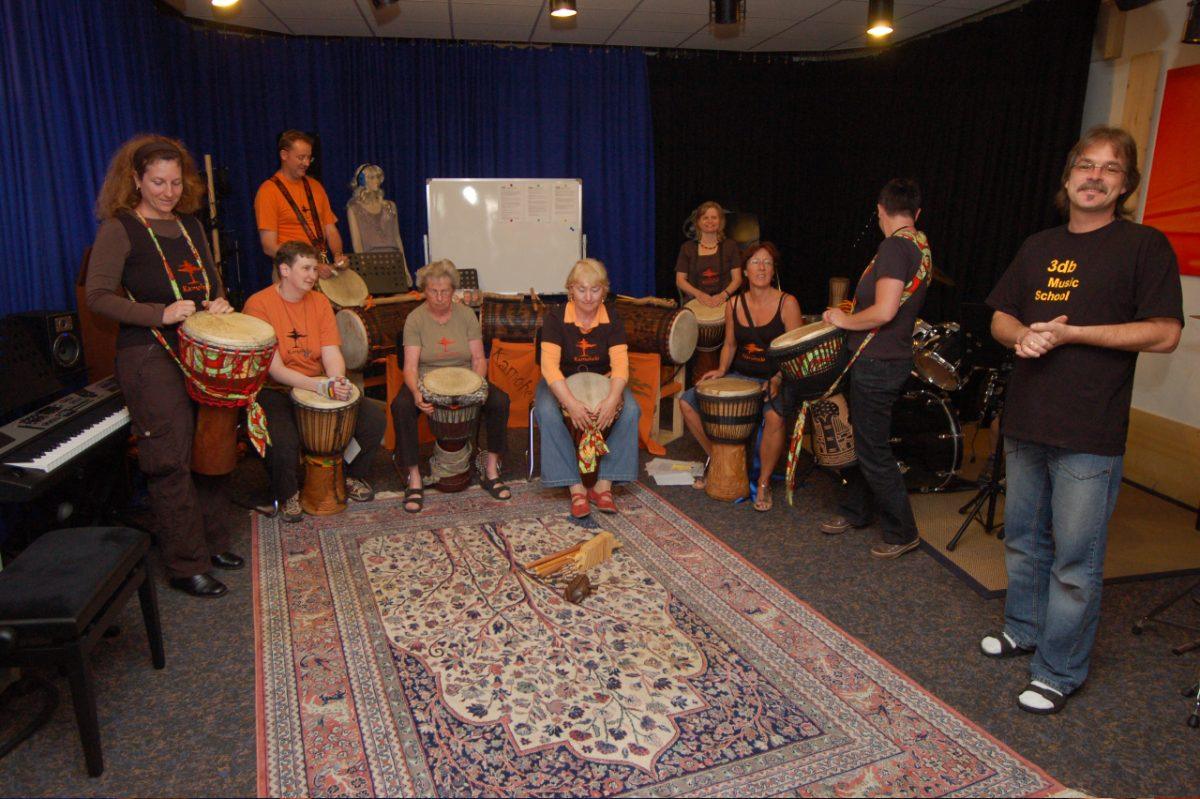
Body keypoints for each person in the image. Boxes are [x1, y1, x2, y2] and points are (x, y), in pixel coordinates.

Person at [981, 126, 1183, 715]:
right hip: (1027, 421)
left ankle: (1059, 669)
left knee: (1074, 563)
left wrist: (1074, 335)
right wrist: (1021, 336)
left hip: (1090, 432)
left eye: (1110, 168)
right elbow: (999, 316)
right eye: (1085, 165)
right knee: (1023, 541)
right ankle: (1024, 628)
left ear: (1126, 184)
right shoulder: (1038, 245)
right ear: (1068, 177)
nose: (1094, 177)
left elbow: (1165, 333)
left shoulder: (1144, 246)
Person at [86, 134, 240, 599]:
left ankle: (212, 544)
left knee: (210, 448)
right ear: (135, 180)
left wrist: (219, 302)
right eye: (157, 182)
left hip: (200, 352)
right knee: (169, 459)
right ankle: (185, 564)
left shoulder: (191, 225)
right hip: (149, 355)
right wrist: (161, 313)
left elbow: (213, 283)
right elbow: (98, 297)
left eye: (175, 182)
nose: (168, 192)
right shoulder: (119, 228)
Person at [821, 178, 931, 559]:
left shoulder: (894, 246)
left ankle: (903, 531)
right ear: (916, 212)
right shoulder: (920, 245)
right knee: (863, 440)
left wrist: (843, 320)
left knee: (872, 449)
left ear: (880, 210)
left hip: (877, 362)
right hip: (888, 360)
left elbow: (884, 311)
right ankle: (856, 510)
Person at [243, 241, 386, 522]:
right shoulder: (258, 305)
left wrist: (337, 380)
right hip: (276, 389)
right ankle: (287, 494)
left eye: (314, 269)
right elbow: (275, 369)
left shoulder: (320, 302)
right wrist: (320, 387)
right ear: (285, 270)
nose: (313, 275)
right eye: (306, 268)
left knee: (372, 420)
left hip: (318, 384)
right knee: (282, 440)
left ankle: (347, 475)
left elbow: (331, 352)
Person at [680, 243, 802, 511]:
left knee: (774, 416)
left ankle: (764, 483)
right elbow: (730, 344)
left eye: (767, 263)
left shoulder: (787, 303)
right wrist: (722, 370)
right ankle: (722, 463)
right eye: (755, 262)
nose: (761, 268)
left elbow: (795, 354)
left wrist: (777, 379)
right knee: (687, 402)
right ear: (745, 271)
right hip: (740, 376)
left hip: (777, 378)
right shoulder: (734, 303)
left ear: (773, 270)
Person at [390, 259, 511, 513]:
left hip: (465, 378)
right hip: (426, 379)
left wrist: (475, 387)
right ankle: (414, 477)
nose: (439, 297)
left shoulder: (466, 315)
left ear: (453, 290)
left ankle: (491, 469)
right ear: (424, 291)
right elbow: (410, 367)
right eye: (433, 291)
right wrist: (416, 393)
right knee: (401, 406)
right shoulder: (415, 319)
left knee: (500, 400)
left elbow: (478, 359)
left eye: (445, 291)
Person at [535, 259, 640, 518]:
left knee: (631, 410)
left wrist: (613, 399)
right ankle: (576, 486)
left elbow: (621, 366)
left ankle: (604, 483)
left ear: (604, 291)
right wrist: (570, 403)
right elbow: (549, 368)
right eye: (581, 289)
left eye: (595, 289)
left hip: (604, 379)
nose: (588, 296)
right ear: (570, 289)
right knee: (546, 410)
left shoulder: (612, 317)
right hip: (561, 380)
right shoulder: (555, 317)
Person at [253, 130, 346, 279]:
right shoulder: (268, 191)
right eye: (301, 157)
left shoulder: (316, 186)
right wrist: (310, 265)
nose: (307, 163)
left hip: (320, 268)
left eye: (309, 157)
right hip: (291, 272)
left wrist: (338, 256)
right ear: (284, 155)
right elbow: (269, 246)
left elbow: (331, 229)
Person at [675, 201, 742, 308]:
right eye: (705, 218)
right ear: (698, 222)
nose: (710, 221)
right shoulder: (687, 248)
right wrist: (699, 294)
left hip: (725, 301)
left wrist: (723, 296)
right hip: (695, 301)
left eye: (714, 217)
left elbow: (737, 279)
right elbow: (680, 280)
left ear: (721, 221)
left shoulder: (730, 246)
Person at [346, 163, 406, 257]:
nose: (376, 181)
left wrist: (404, 264)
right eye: (371, 178)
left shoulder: (390, 206)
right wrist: (363, 264)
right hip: (371, 259)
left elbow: (397, 237)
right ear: (362, 181)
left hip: (394, 258)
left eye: (378, 177)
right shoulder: (354, 209)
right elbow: (357, 244)